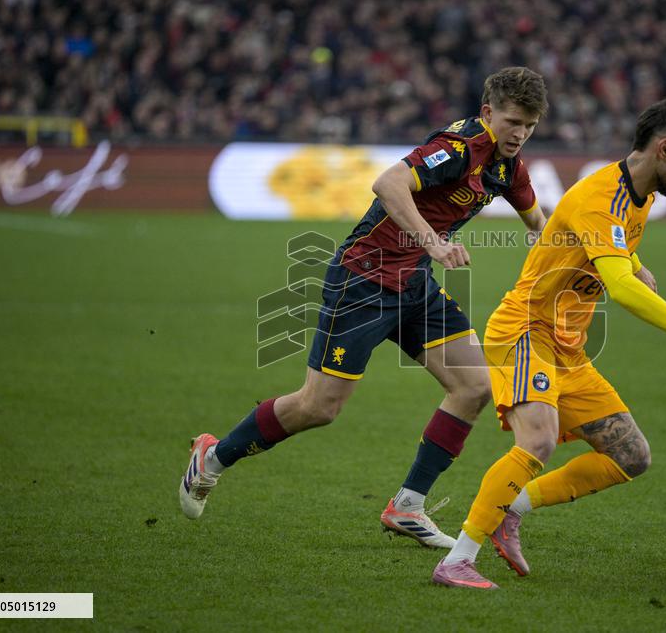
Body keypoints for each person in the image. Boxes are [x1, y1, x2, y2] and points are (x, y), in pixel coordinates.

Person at [179, 67, 550, 548]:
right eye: (513, 121)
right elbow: (389, 183)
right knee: (319, 407)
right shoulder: (459, 147)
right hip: (363, 280)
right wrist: (434, 243)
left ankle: (408, 506)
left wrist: (597, 260)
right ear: (487, 113)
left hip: (414, 284)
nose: (520, 133)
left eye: (530, 125)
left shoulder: (509, 169)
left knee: (473, 386)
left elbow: (539, 225)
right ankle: (212, 458)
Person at [430, 99, 666, 589]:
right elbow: (619, 288)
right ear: (664, 148)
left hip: (566, 346)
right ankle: (457, 559)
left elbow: (612, 245)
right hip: (525, 329)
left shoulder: (634, 194)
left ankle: (510, 508)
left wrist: (632, 258)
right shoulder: (603, 197)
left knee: (631, 456)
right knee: (537, 438)